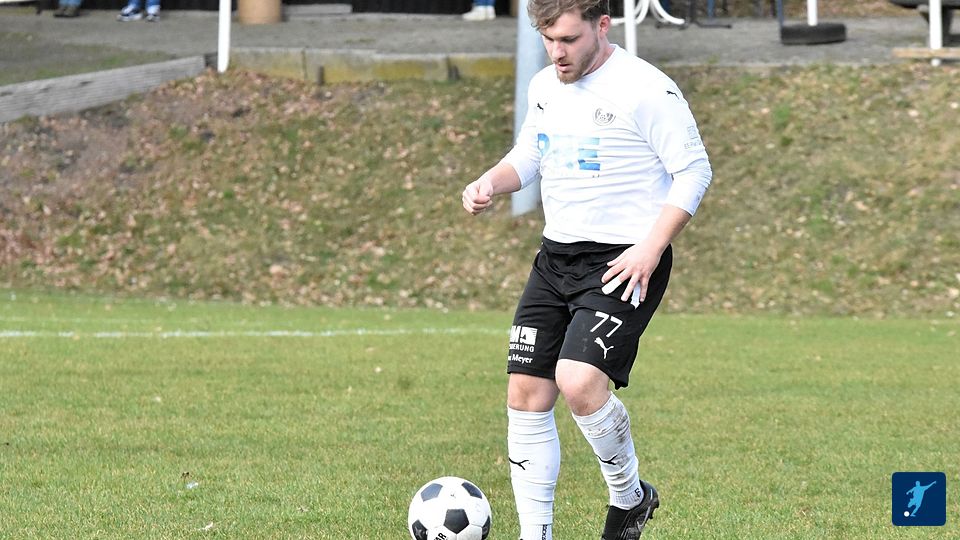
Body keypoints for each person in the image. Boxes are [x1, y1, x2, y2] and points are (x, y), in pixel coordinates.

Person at [460, 1, 712, 538]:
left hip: (624, 261)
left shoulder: (647, 89)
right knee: (526, 395)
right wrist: (489, 182)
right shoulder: (544, 86)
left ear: (602, 26)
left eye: (569, 40)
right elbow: (530, 155)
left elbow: (694, 172)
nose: (557, 53)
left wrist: (650, 249)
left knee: (577, 382)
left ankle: (629, 496)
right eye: (549, 39)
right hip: (555, 259)